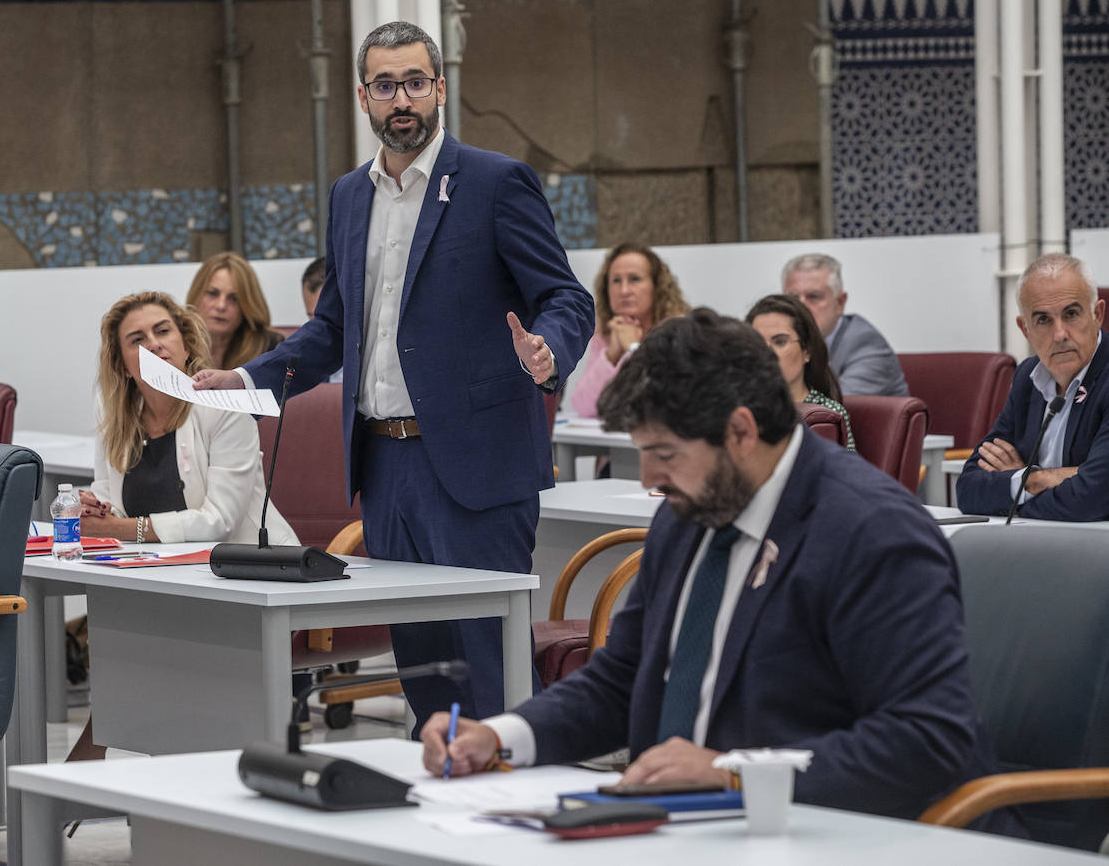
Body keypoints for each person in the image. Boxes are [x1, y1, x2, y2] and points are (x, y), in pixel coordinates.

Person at [420, 308, 1005, 824]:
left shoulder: (872, 533)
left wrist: (732, 773)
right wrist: (500, 736)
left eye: (664, 454)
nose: (649, 480)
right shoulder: (691, 511)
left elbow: (928, 740)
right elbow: (623, 680)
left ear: (741, 432)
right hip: (685, 829)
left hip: (827, 832)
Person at [193, 21, 595, 731]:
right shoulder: (351, 196)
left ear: (439, 88)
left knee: (490, 665)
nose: (401, 98)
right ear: (363, 98)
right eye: (386, 85)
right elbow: (334, 330)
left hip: (475, 468)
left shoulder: (496, 182)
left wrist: (550, 351)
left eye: (415, 81)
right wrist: (249, 379)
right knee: (423, 670)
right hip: (384, 468)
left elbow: (566, 298)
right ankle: (445, 816)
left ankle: (519, 817)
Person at [66, 291, 297, 759]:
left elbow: (218, 521)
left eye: (163, 331)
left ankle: (103, 761)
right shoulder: (117, 417)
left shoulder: (223, 407)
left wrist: (121, 529)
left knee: (145, 655)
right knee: (125, 640)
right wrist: (91, 507)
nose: (154, 344)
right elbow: (109, 498)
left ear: (187, 343)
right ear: (123, 362)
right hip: (164, 583)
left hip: (242, 582)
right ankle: (119, 766)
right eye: (136, 339)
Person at [957, 253, 1109, 521]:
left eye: (1071, 314)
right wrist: (1035, 480)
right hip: (1044, 542)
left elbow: (1093, 498)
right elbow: (968, 488)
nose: (1060, 334)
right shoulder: (1029, 376)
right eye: (1043, 320)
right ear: (1025, 329)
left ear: (1097, 314)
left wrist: (1016, 489)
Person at [570, 242, 688, 418]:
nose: (624, 290)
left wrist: (633, 347)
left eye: (634, 279)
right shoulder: (609, 333)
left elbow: (665, 400)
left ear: (657, 287)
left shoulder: (680, 330)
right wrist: (612, 354)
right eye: (616, 281)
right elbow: (583, 406)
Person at [781, 253, 908, 398]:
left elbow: (831, 410)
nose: (801, 307)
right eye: (793, 299)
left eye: (814, 297)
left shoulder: (866, 345)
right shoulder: (780, 342)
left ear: (840, 302)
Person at [746, 294, 855, 449]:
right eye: (757, 343)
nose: (767, 353)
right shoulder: (741, 408)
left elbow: (845, 472)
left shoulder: (828, 413)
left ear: (807, 351)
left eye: (780, 342)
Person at [185, 251, 284, 370]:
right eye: (213, 294)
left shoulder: (269, 347)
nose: (221, 306)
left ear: (247, 305)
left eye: (234, 299)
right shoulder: (176, 342)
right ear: (196, 294)